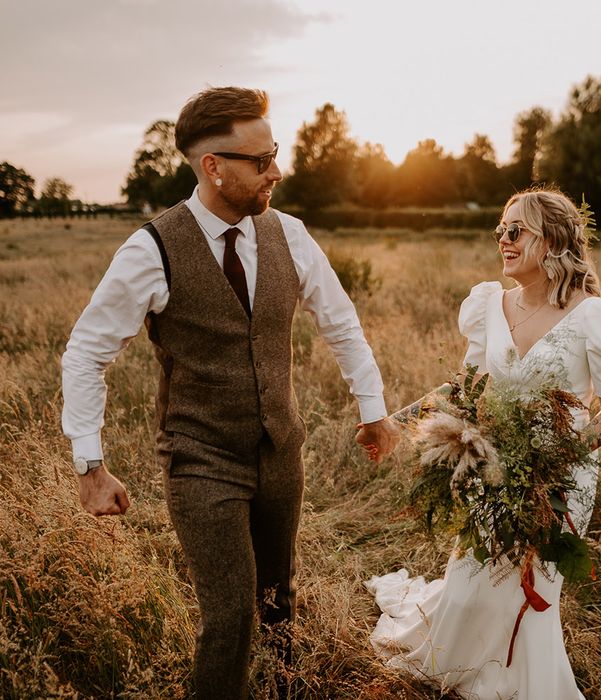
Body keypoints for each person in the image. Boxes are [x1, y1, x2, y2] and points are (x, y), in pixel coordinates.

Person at [61, 86, 400, 699]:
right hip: (200, 460)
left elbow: (341, 322)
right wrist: (90, 463)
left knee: (277, 603)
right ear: (212, 166)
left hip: (280, 452)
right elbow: (86, 353)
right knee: (230, 617)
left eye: (275, 153)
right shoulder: (151, 249)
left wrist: (372, 410)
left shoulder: (290, 236)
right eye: (260, 160)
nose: (277, 170)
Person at [366, 188, 601, 699]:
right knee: (473, 579)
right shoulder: (490, 305)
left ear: (554, 239)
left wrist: (555, 461)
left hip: (560, 474)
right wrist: (394, 423)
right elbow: (463, 388)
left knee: (528, 588)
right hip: (494, 463)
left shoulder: (598, 317)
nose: (504, 240)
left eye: (516, 230)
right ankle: (455, 661)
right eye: (500, 230)